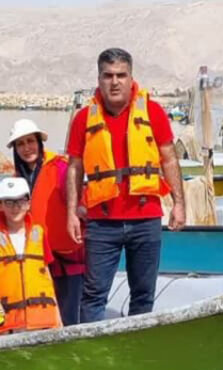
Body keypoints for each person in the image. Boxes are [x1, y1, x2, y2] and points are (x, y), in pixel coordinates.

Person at [65, 48, 186, 322]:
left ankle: (136, 351)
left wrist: (179, 204)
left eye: (121, 75)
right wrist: (71, 211)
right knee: (93, 295)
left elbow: (169, 159)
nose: (115, 81)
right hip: (101, 221)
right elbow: (75, 167)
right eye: (108, 76)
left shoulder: (153, 112)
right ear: (99, 79)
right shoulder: (84, 119)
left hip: (145, 220)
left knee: (143, 295)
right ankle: (93, 353)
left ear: (131, 78)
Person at [6, 118, 84, 326]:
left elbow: (79, 200)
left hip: (69, 261)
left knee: (70, 321)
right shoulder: (17, 179)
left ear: (40, 143)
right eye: (20, 144)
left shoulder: (60, 168)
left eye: (30, 141)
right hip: (38, 262)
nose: (26, 148)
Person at [0, 177, 61, 333]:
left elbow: (46, 275)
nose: (15, 207)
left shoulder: (39, 233)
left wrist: (58, 318)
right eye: (9, 202)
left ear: (28, 204)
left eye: (20, 201)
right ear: (0, 206)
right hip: (8, 321)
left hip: (42, 319)